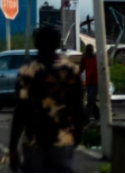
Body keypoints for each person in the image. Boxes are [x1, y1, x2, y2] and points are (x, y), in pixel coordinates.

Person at [9, 26, 85, 173]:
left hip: (34, 141)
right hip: (63, 141)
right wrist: (77, 134)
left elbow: (20, 112)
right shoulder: (71, 70)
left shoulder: (28, 72)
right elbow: (79, 107)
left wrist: (13, 148)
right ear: (57, 44)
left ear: (36, 44)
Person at [82, 44, 99, 122]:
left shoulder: (97, 58)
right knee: (91, 101)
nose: (89, 53)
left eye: (90, 51)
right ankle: (98, 116)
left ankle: (85, 119)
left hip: (96, 82)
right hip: (88, 82)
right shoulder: (85, 58)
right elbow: (81, 68)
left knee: (90, 101)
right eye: (88, 51)